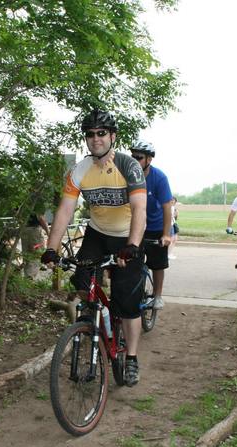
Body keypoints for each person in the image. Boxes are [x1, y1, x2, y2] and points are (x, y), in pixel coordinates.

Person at [41, 109, 147, 386]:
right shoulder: (80, 169)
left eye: (102, 133)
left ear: (113, 136)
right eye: (90, 134)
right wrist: (51, 249)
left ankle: (132, 357)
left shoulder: (129, 166)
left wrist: (133, 245)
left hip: (126, 237)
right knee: (81, 279)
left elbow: (140, 209)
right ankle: (91, 324)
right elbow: (65, 210)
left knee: (127, 303)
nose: (96, 139)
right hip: (97, 235)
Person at [130, 140, 175, 309]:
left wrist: (166, 234)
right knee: (129, 261)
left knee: (157, 264)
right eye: (132, 156)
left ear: (149, 159)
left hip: (155, 228)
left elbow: (167, 208)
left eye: (139, 157)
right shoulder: (128, 175)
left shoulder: (159, 178)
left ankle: (157, 295)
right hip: (135, 227)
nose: (134, 160)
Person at [20, 212, 49, 279]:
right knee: (37, 254)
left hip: (24, 230)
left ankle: (27, 278)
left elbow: (18, 215)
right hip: (35, 231)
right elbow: (41, 218)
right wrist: (48, 232)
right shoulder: (36, 202)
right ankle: (30, 278)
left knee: (27, 254)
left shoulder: (20, 203)